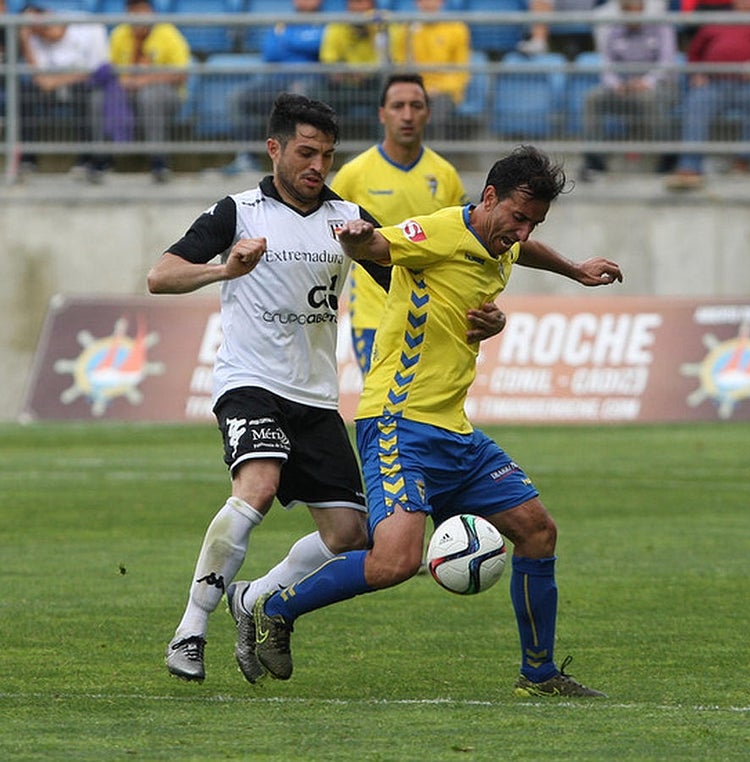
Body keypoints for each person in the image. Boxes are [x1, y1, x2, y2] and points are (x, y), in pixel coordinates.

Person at [148, 92, 505, 683]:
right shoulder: (235, 212)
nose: (318, 166)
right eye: (307, 153)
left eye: (327, 156)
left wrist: (482, 314)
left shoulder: (348, 221)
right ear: (275, 149)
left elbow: (420, 277)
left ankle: (252, 597)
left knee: (349, 534)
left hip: (315, 396)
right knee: (258, 489)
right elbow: (161, 276)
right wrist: (223, 269)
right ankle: (190, 629)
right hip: (250, 383)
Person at [243, 146, 623, 697]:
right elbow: (381, 243)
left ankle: (539, 674)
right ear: (488, 197)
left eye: (532, 221)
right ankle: (273, 606)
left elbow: (524, 252)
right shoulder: (441, 231)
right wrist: (355, 239)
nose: (520, 231)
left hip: (455, 431)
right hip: (399, 423)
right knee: (394, 562)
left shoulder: (503, 241)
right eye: (517, 217)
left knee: (538, 532)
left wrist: (574, 269)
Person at [330, 72, 468, 374]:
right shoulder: (354, 174)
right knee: (383, 409)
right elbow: (327, 239)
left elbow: (460, 247)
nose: (407, 115)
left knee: (423, 410)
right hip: (374, 315)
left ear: (428, 114)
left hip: (433, 315)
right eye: (398, 106)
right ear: (382, 114)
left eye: (416, 106)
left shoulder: (445, 176)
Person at [664, 0, 750, 190]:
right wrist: (697, 72)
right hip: (715, 82)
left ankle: (743, 161)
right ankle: (689, 168)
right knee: (696, 102)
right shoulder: (718, 19)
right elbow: (694, 52)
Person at [221, 0, 327, 175]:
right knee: (238, 97)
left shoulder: (328, 23)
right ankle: (246, 158)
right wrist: (303, 44)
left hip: (310, 81)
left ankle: (294, 160)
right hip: (276, 81)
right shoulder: (284, 21)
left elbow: (320, 45)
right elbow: (270, 52)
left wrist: (287, 41)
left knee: (296, 97)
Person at [579, 0, 677, 180]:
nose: (632, 14)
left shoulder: (660, 27)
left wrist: (647, 82)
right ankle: (594, 160)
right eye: (628, 10)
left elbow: (667, 64)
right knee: (592, 98)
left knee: (648, 98)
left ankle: (668, 157)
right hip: (623, 89)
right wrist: (616, 85)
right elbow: (607, 66)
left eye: (636, 9)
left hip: (658, 87)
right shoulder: (613, 31)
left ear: (642, 9)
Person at [18, 3, 114, 182]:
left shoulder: (87, 26)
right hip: (58, 88)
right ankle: (28, 160)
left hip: (88, 86)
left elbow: (98, 71)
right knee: (24, 95)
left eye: (45, 26)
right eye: (37, 30)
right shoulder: (34, 38)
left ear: (51, 15)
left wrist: (58, 80)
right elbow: (42, 81)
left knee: (90, 96)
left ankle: (88, 160)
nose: (45, 32)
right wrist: (25, 42)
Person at [107, 0, 191, 183]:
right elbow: (110, 70)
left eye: (141, 9)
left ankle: (159, 162)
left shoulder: (167, 33)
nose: (137, 15)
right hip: (127, 92)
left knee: (150, 96)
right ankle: (100, 159)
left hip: (167, 93)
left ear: (151, 11)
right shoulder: (119, 33)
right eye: (132, 10)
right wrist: (125, 81)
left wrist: (145, 80)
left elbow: (181, 74)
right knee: (101, 97)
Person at [386, 0, 471, 141]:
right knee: (396, 106)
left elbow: (461, 72)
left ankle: (433, 151)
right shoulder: (407, 28)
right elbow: (400, 63)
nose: (428, 3)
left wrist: (438, 88)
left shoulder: (457, 28)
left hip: (445, 91)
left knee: (433, 111)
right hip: (414, 87)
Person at [319, 0, 385, 132]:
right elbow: (329, 62)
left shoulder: (382, 26)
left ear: (373, 7)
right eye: (353, 3)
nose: (357, 8)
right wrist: (350, 74)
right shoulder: (336, 26)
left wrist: (373, 26)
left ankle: (382, 145)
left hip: (373, 83)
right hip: (343, 84)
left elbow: (385, 61)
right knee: (319, 96)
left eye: (362, 3)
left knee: (387, 94)